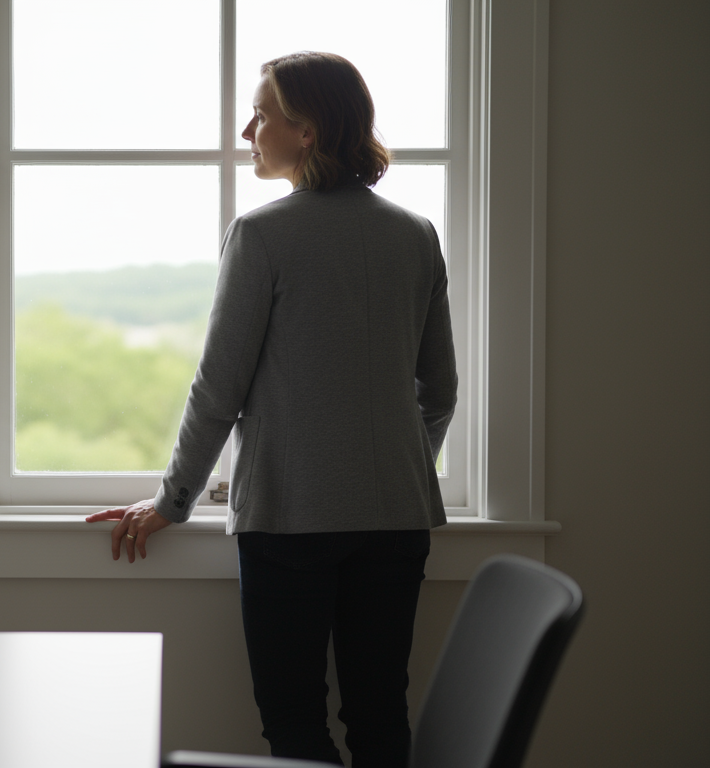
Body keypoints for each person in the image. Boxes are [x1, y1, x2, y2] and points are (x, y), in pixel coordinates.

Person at [86, 52, 456, 767]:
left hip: (291, 521)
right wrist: (402, 462)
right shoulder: (416, 234)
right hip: (398, 519)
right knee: (381, 719)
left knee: (294, 727)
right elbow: (437, 390)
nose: (247, 128)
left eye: (262, 112)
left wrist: (173, 500)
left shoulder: (263, 234)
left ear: (308, 131)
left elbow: (218, 386)